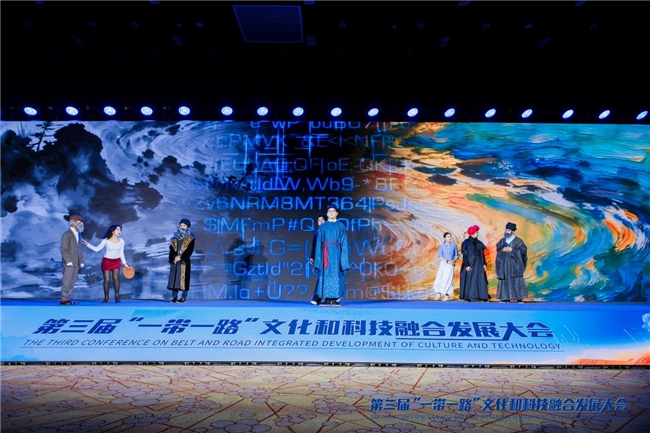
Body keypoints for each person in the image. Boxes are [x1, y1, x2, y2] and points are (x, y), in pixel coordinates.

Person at [313, 205, 350, 306]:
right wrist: (318, 260)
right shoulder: (323, 227)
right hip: (325, 253)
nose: (331, 213)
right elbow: (318, 243)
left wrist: (344, 260)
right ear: (327, 214)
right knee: (325, 275)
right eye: (329, 211)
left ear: (337, 213)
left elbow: (344, 243)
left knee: (336, 274)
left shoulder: (341, 226)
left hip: (337, 253)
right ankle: (326, 299)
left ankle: (334, 299)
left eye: (333, 211)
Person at [82, 224, 129, 303]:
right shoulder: (106, 240)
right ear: (113, 231)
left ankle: (117, 296)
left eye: (120, 230)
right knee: (107, 279)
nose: (119, 231)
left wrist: (125, 263)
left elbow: (121, 253)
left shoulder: (121, 241)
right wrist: (87, 244)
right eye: (118, 230)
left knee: (116, 278)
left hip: (116, 261)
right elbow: (97, 249)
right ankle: (106, 297)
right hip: (107, 261)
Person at [496, 222, 528, 303]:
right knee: (505, 281)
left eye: (508, 230)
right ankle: (505, 297)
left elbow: (523, 251)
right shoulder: (502, 241)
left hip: (515, 266)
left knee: (516, 281)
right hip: (504, 266)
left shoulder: (519, 242)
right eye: (506, 230)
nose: (506, 232)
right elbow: (498, 249)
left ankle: (519, 298)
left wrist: (512, 250)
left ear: (513, 232)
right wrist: (502, 250)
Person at [167, 218, 196, 303]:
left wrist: (181, 257)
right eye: (181, 225)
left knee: (184, 279)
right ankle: (174, 297)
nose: (182, 226)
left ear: (187, 227)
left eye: (184, 225)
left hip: (184, 261)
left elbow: (189, 250)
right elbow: (171, 250)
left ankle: (183, 297)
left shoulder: (190, 238)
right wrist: (174, 258)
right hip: (175, 261)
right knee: (174, 279)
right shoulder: (174, 238)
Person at [459, 225, 489, 302]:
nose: (478, 234)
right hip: (470, 264)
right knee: (470, 280)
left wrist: (484, 264)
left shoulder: (479, 243)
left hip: (479, 264)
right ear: (472, 233)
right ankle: (469, 297)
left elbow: (482, 255)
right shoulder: (466, 243)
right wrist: (467, 265)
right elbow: (465, 255)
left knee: (480, 279)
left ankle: (482, 296)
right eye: (476, 232)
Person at [60, 215, 85, 305]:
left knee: (72, 281)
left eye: (81, 222)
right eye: (79, 222)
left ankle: (68, 298)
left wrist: (81, 261)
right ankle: (64, 298)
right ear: (73, 223)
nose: (81, 224)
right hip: (69, 262)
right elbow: (64, 249)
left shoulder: (78, 235)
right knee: (67, 281)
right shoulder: (67, 234)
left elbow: (80, 249)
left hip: (76, 262)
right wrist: (68, 261)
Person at [432, 232, 459, 301]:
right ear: (445, 238)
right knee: (440, 278)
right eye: (448, 237)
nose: (450, 238)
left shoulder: (454, 245)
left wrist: (453, 261)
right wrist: (446, 261)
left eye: (450, 236)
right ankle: (439, 293)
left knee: (448, 279)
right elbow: (440, 256)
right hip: (443, 264)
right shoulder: (442, 246)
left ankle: (447, 295)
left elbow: (456, 255)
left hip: (451, 264)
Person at [309, 214, 327, 305]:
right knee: (321, 278)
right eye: (319, 220)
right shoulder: (317, 234)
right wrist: (312, 256)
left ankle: (325, 299)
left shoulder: (329, 232)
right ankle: (317, 298)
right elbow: (314, 246)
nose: (320, 222)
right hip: (320, 259)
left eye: (322, 220)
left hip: (329, 258)